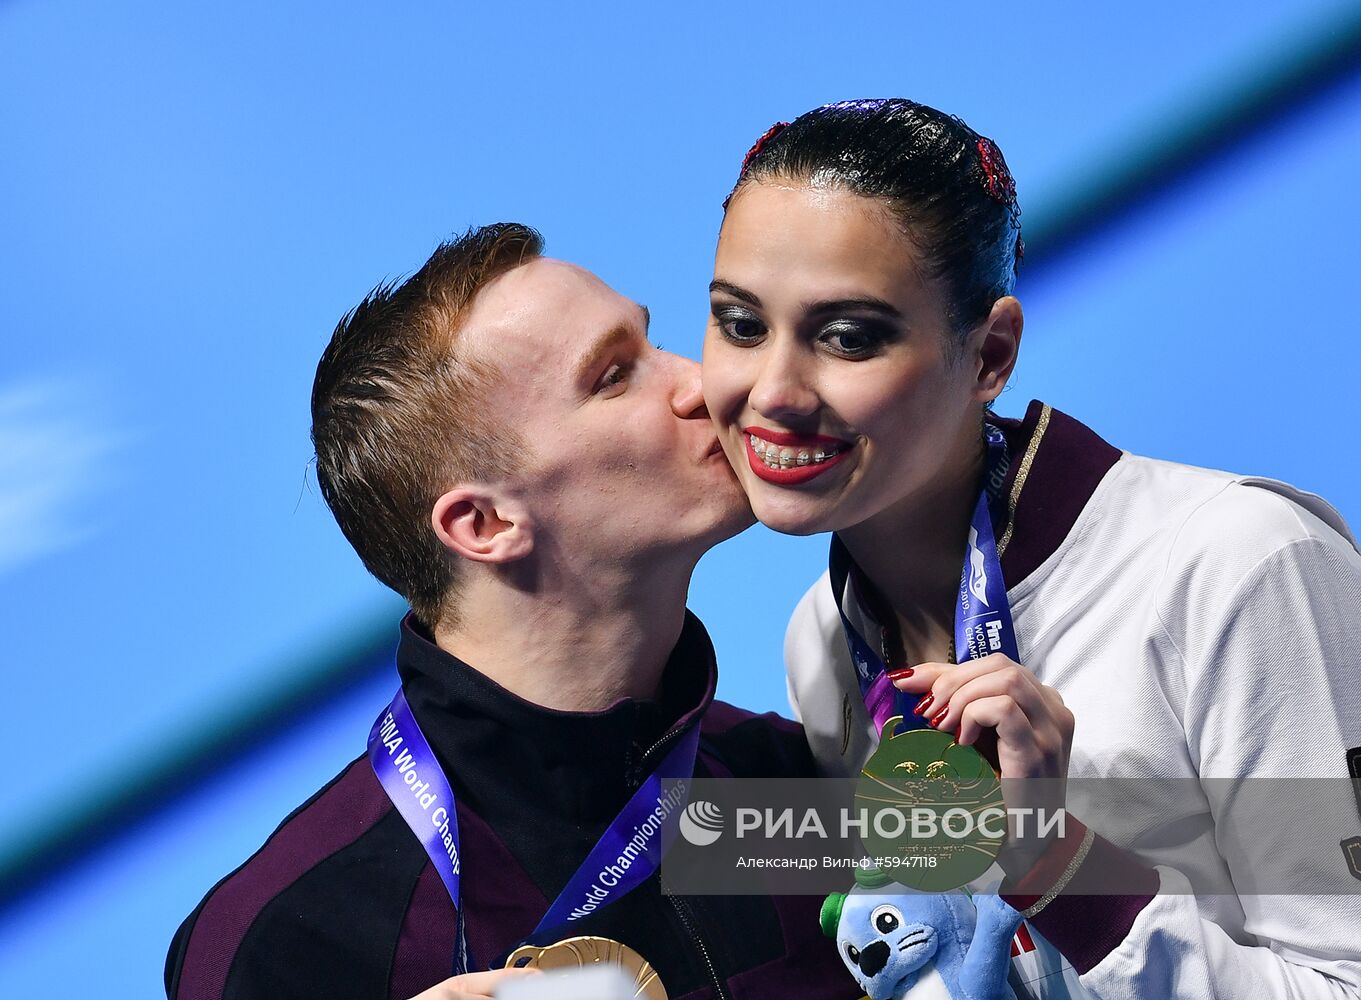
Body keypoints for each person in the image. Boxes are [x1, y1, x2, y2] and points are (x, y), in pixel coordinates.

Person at [701, 99, 1361, 998]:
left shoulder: (1238, 564)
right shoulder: (822, 636)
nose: (772, 390)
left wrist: (1060, 864)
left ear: (990, 355)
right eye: (740, 324)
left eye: (848, 337)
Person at [164, 223, 862, 1000]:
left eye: (652, 341)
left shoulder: (782, 795)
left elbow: (1011, 880)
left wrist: (1024, 827)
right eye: (612, 376)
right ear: (484, 525)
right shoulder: (290, 936)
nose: (702, 384)